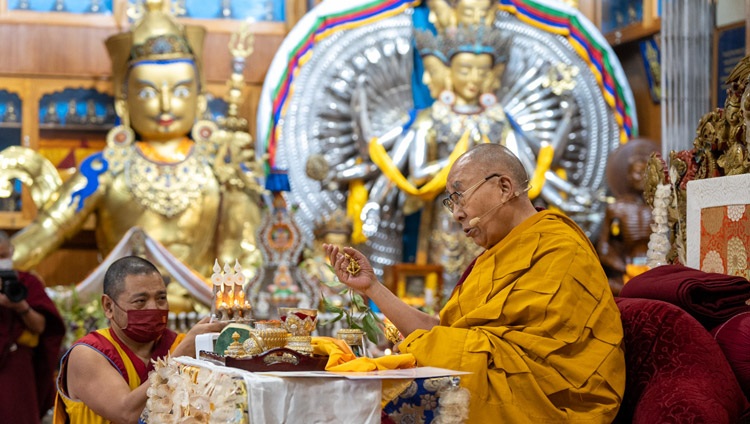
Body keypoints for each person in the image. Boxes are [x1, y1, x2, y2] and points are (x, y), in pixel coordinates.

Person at [326, 144, 625, 423]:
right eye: (451, 201)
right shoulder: (491, 259)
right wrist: (372, 288)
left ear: (504, 188)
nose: (456, 213)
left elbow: (543, 362)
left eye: (460, 195)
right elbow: (445, 333)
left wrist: (434, 347)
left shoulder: (561, 248)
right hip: (488, 382)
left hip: (551, 403)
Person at [4, 0, 263, 286]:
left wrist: (221, 304)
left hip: (203, 311)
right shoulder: (104, 169)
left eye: (180, 90)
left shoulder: (223, 168)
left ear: (200, 99)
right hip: (121, 318)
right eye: (148, 93)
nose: (166, 105)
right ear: (124, 102)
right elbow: (46, 231)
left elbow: (247, 257)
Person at [53, 255, 225, 424]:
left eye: (161, 298)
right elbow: (126, 414)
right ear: (108, 306)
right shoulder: (88, 354)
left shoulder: (177, 343)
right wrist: (176, 361)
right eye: (140, 301)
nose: (154, 308)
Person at [0, 231, 65, 424]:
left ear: (12, 252)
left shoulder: (27, 282)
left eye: (3, 256)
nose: (1, 261)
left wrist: (20, 306)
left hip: (16, 365)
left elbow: (43, 328)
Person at [597, 138, 659, 294]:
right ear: (629, 176)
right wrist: (625, 267)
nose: (642, 178)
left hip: (657, 270)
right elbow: (604, 248)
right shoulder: (617, 209)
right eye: (638, 173)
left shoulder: (661, 206)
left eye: (647, 173)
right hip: (627, 270)